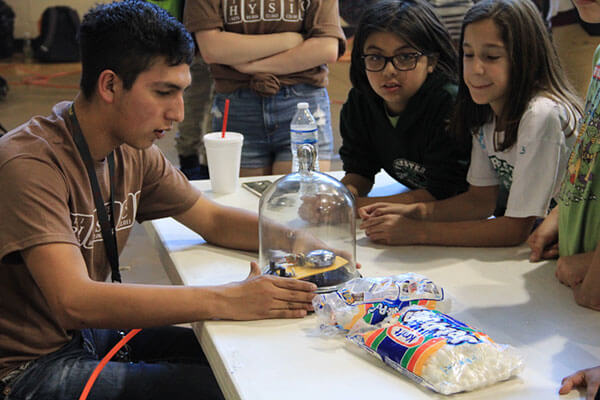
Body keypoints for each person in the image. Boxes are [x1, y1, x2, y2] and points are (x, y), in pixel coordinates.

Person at [0, 2, 318, 399]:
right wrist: (229, 298)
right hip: (28, 369)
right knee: (230, 389)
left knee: (254, 362)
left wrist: (304, 244)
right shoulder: (29, 162)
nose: (179, 112)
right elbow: (74, 301)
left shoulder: (130, 148)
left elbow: (212, 220)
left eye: (182, 91)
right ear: (110, 85)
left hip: (85, 337)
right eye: (164, 92)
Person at [358, 0, 582, 247]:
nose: (476, 68)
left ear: (526, 56)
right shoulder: (484, 109)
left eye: (491, 56)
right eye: (468, 54)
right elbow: (478, 201)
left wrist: (417, 232)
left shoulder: (541, 114)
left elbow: (514, 229)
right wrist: (408, 212)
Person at [183, 0, 345, 176]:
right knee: (240, 200)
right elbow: (212, 48)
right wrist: (290, 40)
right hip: (237, 104)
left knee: (301, 198)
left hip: (303, 105)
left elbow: (326, 48)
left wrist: (249, 66)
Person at [338, 0, 470, 210]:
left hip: (472, 213)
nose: (389, 70)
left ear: (432, 61)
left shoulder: (449, 104)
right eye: (375, 57)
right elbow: (360, 169)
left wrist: (357, 208)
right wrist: (340, 198)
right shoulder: (360, 101)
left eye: (406, 57)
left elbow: (443, 191)